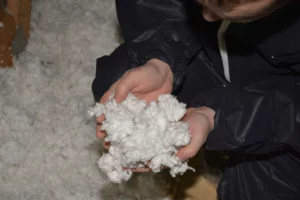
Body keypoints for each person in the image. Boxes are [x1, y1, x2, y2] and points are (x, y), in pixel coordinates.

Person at [92, 0, 300, 199]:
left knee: (258, 190)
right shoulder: (205, 15)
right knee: (120, 88)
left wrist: (220, 118)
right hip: (205, 53)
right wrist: (161, 59)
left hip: (279, 108)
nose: (207, 16)